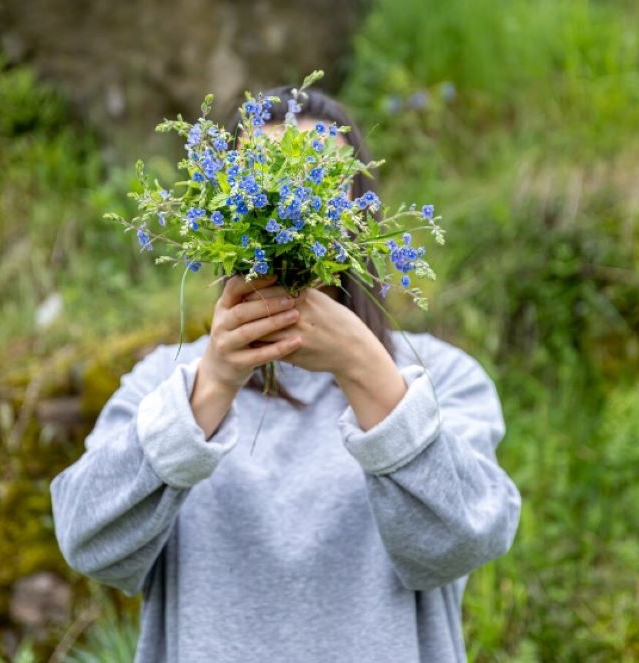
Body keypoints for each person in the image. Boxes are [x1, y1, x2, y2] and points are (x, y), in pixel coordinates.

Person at [49, 85, 522, 663]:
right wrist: (213, 385)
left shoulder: (437, 377)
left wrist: (365, 368)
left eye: (317, 186)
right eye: (265, 186)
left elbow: (464, 541)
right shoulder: (166, 380)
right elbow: (88, 543)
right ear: (223, 212)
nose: (289, 214)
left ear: (359, 216)